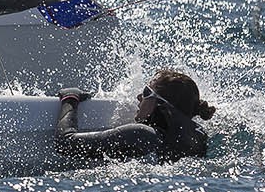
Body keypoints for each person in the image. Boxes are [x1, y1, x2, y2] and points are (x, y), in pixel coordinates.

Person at [54, 68, 216, 163]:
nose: (139, 97)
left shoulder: (142, 134)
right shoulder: (197, 136)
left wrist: (70, 99)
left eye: (146, 93)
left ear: (161, 104)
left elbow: (66, 144)